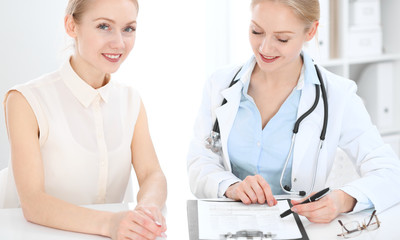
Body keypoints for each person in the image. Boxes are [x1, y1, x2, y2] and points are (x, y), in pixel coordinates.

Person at [187, 0, 400, 223]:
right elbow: (199, 163)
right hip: (229, 226)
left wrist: (342, 200)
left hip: (300, 228)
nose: (265, 48)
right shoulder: (220, 85)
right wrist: (231, 186)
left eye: (282, 38)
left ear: (311, 31)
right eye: (256, 31)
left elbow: (390, 173)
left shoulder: (338, 95)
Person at [3, 0, 167, 239]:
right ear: (71, 26)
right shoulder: (25, 100)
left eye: (128, 29)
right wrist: (111, 224)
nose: (119, 43)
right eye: (104, 26)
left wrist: (148, 207)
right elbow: (33, 203)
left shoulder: (130, 100)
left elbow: (152, 174)